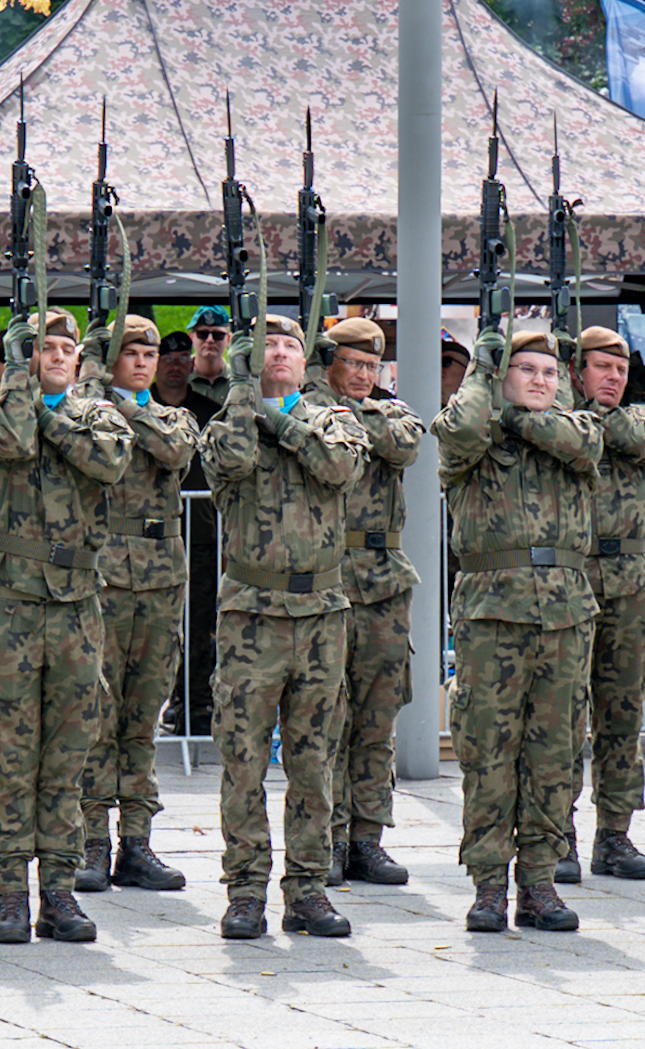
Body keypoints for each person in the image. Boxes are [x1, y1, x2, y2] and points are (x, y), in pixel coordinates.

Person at [0, 308, 131, 944]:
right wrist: (17, 380)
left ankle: (58, 890)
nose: (56, 356)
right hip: (9, 601)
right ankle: (11, 892)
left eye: (66, 348)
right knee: (11, 756)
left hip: (75, 605)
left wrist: (48, 413)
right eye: (42, 348)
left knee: (67, 755)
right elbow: (8, 440)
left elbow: (107, 461)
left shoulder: (98, 414)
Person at [204, 312, 365, 941]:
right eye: (264, 345)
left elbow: (338, 467)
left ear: (306, 360)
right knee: (243, 759)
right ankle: (245, 890)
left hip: (320, 614)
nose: (277, 353)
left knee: (314, 759)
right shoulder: (230, 421)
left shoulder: (335, 419)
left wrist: (281, 420)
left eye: (288, 345)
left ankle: (307, 888)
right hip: (252, 615)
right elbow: (232, 460)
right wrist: (246, 395)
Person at [435, 327, 600, 935]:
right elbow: (459, 430)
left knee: (554, 754)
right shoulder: (473, 437)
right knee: (488, 754)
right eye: (524, 369)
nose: (539, 380)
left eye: (549, 372)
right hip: (492, 614)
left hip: (565, 615)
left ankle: (539, 882)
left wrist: (516, 415)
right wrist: (481, 371)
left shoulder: (576, 430)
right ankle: (487, 884)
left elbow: (582, 443)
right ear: (499, 376)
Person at [72, 313, 197, 894]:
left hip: (160, 579)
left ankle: (138, 841)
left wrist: (122, 403)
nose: (144, 363)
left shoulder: (172, 416)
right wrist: (94, 384)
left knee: (143, 717)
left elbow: (173, 450)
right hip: (103, 576)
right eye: (131, 354)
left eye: (150, 355)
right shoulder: (89, 412)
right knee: (98, 714)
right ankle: (93, 840)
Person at [553, 326, 645, 885]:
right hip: (569, 579)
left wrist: (585, 417)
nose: (614, 378)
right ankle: (557, 833)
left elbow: (637, 439)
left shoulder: (641, 420)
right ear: (577, 372)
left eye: (620, 370)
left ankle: (615, 834)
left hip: (626, 583)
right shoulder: (559, 423)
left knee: (621, 715)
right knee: (561, 716)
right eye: (602, 367)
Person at [314, 317, 422, 889]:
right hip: (328, 578)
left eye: (371, 366)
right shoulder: (310, 409)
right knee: (328, 716)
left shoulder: (388, 412)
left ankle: (366, 837)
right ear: (328, 362)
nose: (362, 374)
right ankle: (328, 838)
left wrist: (352, 412)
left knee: (377, 718)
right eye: (352, 363)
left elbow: (405, 444)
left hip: (382, 581)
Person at [154, 328, 220, 741]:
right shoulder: (141, 408)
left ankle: (193, 705)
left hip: (200, 537)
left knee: (198, 627)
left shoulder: (209, 411)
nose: (176, 366)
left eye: (183, 359)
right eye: (168, 359)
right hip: (150, 536)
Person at [186, 306, 231, 406]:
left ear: (228, 339)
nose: (210, 340)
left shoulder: (237, 382)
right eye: (202, 334)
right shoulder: (180, 379)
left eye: (218, 335)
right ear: (191, 337)